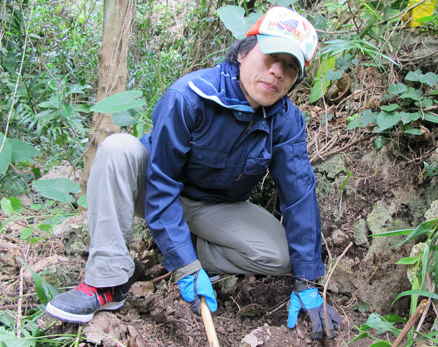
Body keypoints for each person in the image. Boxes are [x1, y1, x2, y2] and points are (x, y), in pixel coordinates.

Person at [46, 6, 342, 340]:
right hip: (155, 188)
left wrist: (307, 280)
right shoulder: (190, 96)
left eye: (290, 67)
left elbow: (299, 194)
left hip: (215, 206)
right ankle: (106, 281)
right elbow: (161, 181)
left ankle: (190, 248)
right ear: (244, 52)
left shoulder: (286, 122)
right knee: (117, 149)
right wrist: (182, 265)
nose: (276, 72)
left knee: (279, 256)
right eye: (271, 56)